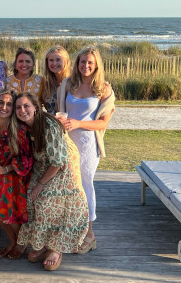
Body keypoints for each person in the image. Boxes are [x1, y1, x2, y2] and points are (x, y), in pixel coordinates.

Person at [14, 92, 89, 271]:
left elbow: (58, 161)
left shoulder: (48, 125)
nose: (22, 110)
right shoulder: (25, 125)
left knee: (49, 199)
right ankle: (44, 244)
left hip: (63, 164)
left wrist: (41, 185)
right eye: (18, 107)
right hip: (44, 161)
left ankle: (56, 248)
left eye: (26, 106)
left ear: (35, 107)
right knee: (31, 198)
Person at [57, 46, 115, 255]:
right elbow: (61, 111)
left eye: (90, 62)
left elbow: (102, 124)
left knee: (85, 185)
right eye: (82, 62)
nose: (86, 66)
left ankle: (90, 235)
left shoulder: (104, 89)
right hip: (67, 143)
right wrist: (62, 120)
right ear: (77, 63)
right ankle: (72, 230)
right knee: (68, 185)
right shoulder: (68, 84)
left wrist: (78, 123)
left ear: (97, 64)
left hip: (89, 144)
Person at [0, 89, 33, 260]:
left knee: (11, 213)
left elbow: (27, 157)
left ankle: (20, 245)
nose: (4, 107)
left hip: (16, 176)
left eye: (9, 104)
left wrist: (6, 169)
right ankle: (13, 242)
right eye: (1, 102)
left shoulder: (19, 129)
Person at [39, 46, 71, 114]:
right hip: (50, 122)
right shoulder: (45, 83)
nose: (54, 63)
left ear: (65, 61)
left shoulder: (73, 81)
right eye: (51, 60)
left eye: (58, 60)